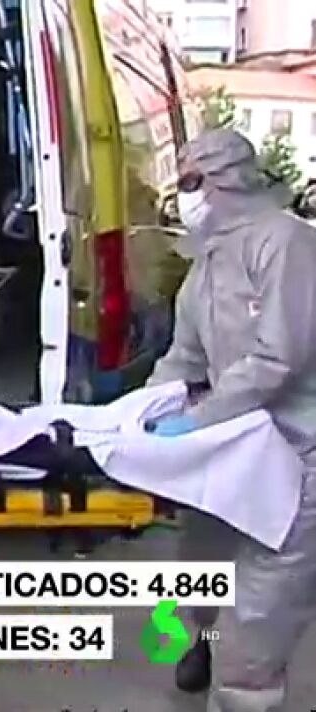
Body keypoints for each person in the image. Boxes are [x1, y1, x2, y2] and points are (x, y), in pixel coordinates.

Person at [145, 128, 316, 712]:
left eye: (191, 182)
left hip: (299, 455)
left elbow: (277, 359)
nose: (183, 197)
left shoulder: (286, 244)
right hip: (236, 447)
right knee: (201, 570)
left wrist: (197, 422)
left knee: (258, 614)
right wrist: (137, 419)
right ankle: (205, 643)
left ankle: (244, 690)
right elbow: (184, 358)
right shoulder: (209, 262)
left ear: (226, 178)